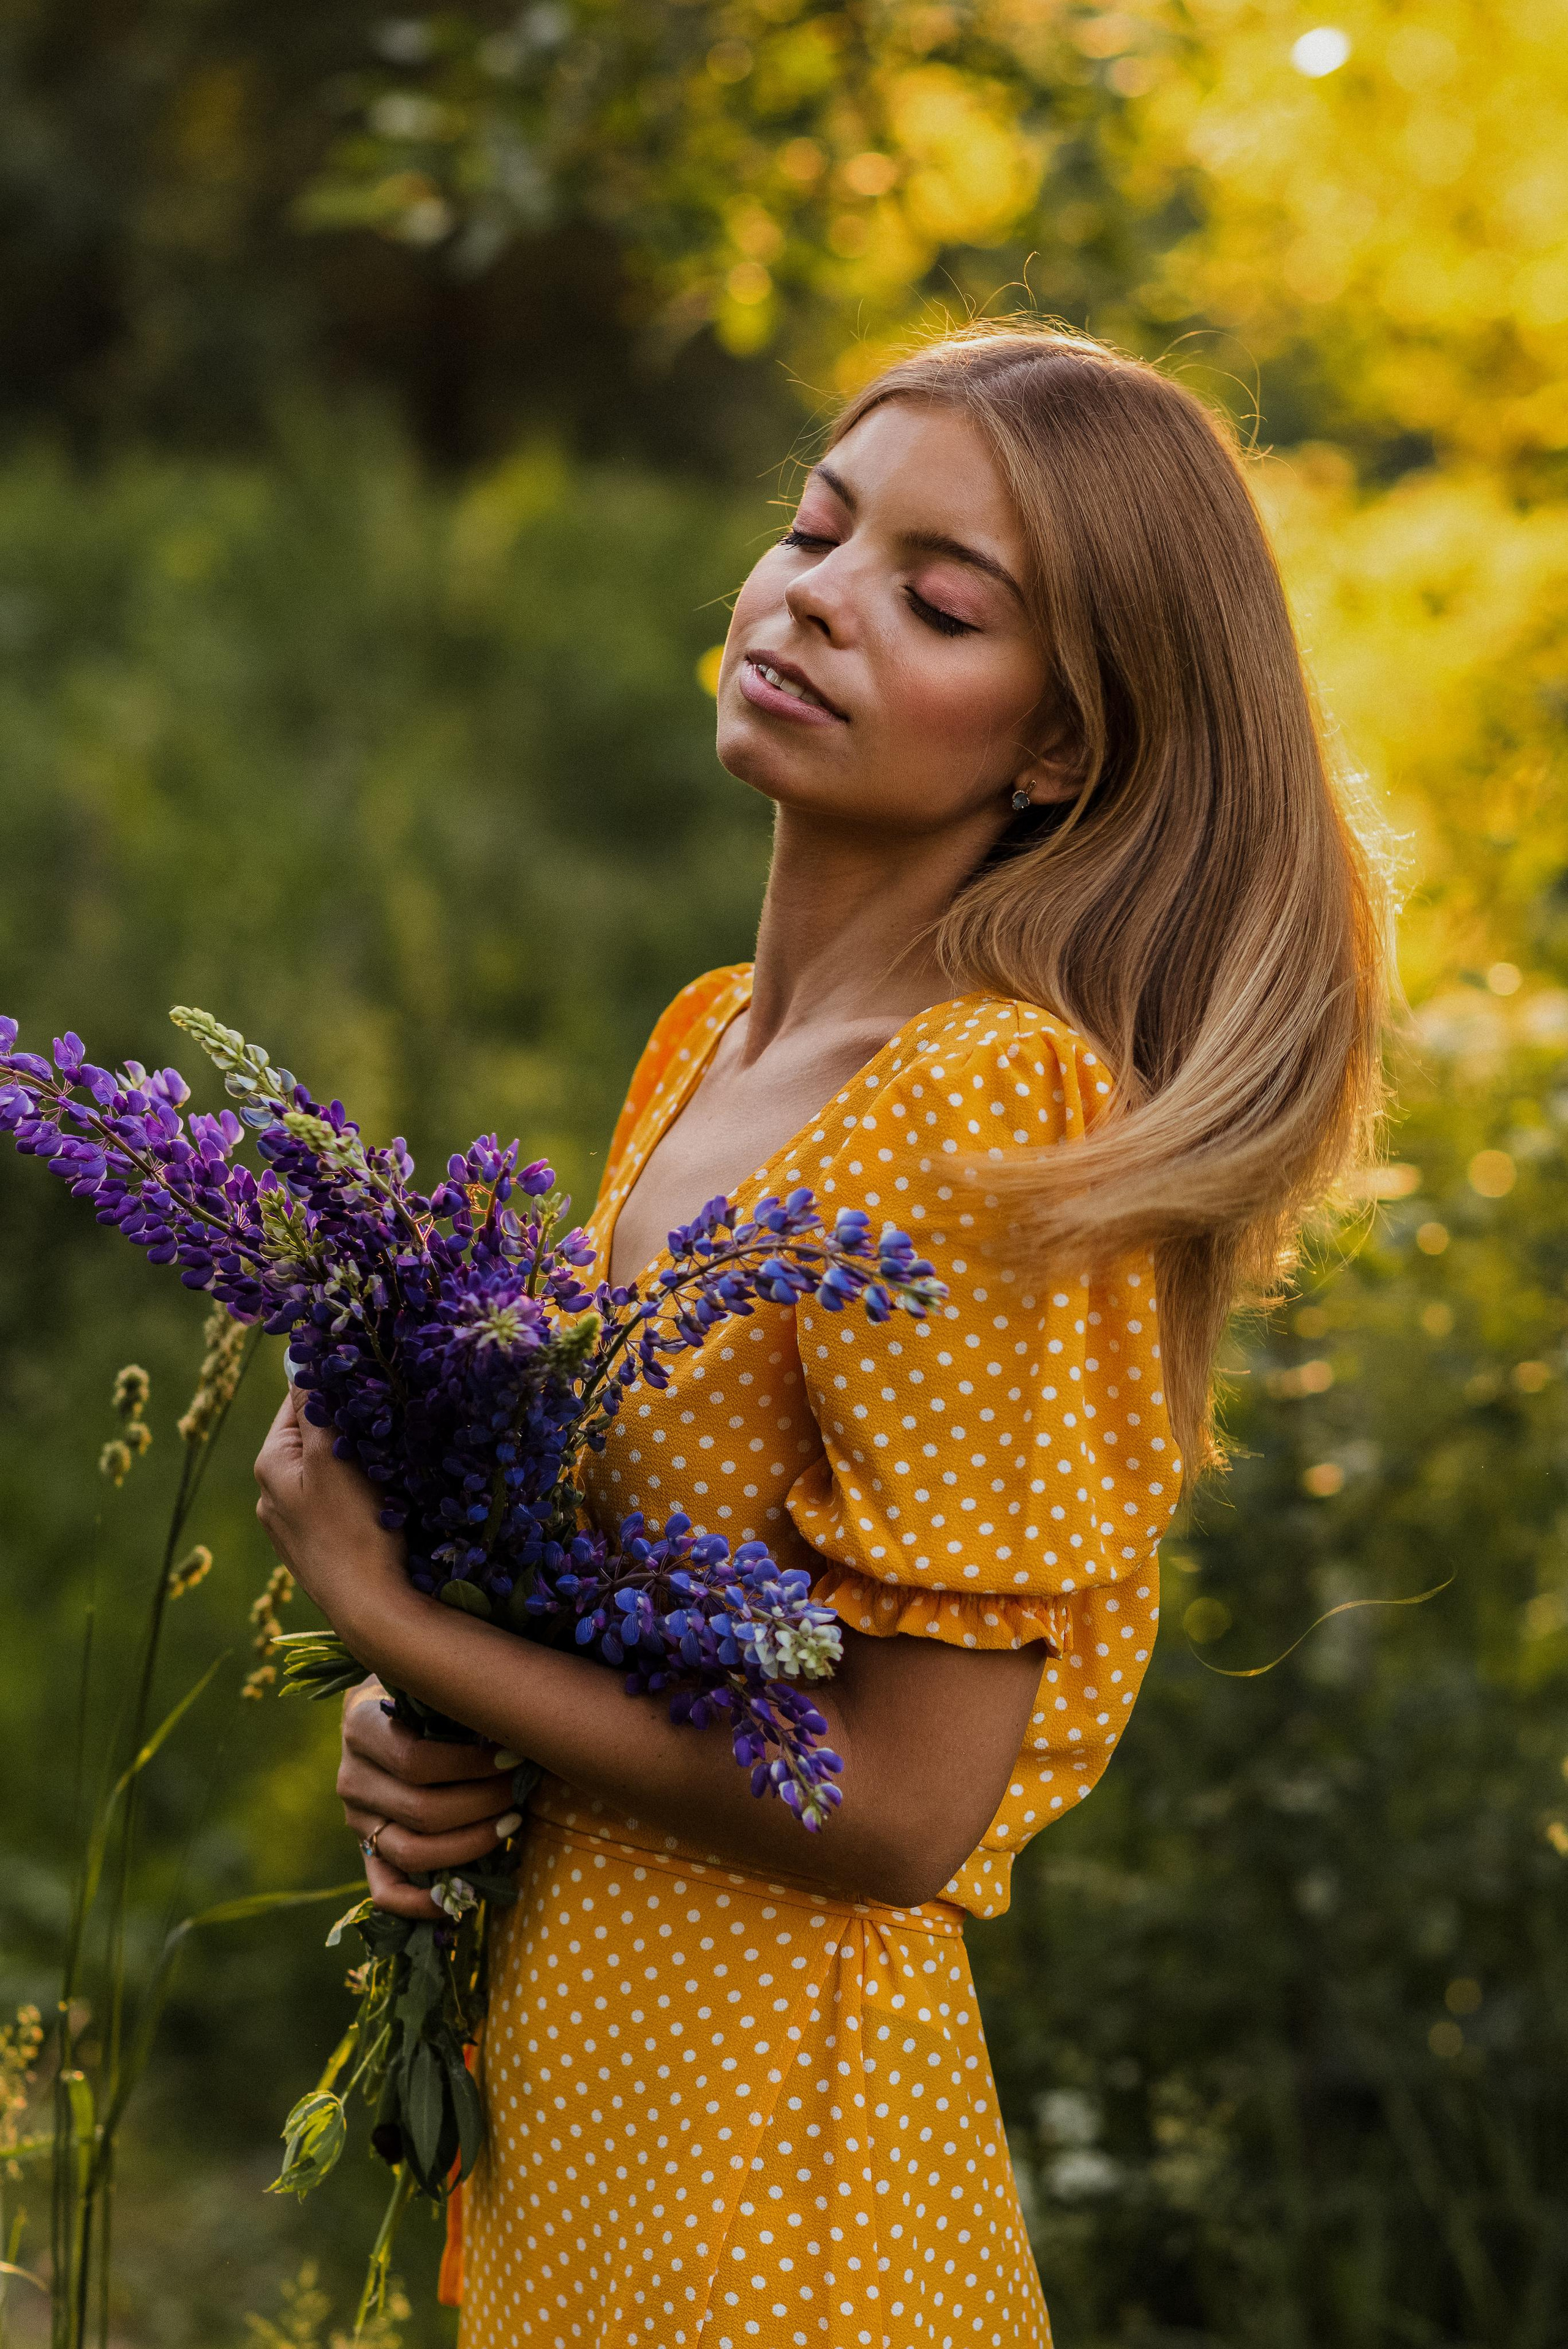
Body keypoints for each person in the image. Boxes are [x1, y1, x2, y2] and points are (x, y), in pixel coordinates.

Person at [254, 325, 1386, 2349]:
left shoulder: (984, 1100)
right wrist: (442, 1722)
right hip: (587, 2099)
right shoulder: (713, 1039)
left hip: (774, 2177)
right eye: (816, 528)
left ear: (1059, 749)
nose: (819, 597)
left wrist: (390, 1610)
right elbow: (628, 1619)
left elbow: (900, 1803)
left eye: (939, 602)